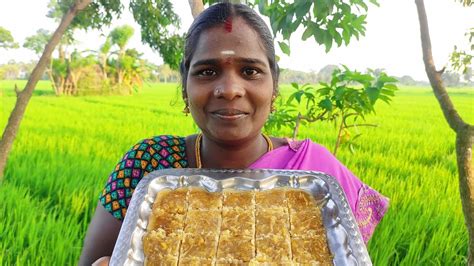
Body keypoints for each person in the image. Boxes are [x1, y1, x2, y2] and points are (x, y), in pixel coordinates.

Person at [79, 2, 388, 265]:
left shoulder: (315, 175)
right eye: (207, 71)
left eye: (250, 71)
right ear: (186, 87)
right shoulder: (149, 165)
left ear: (274, 86)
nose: (229, 90)